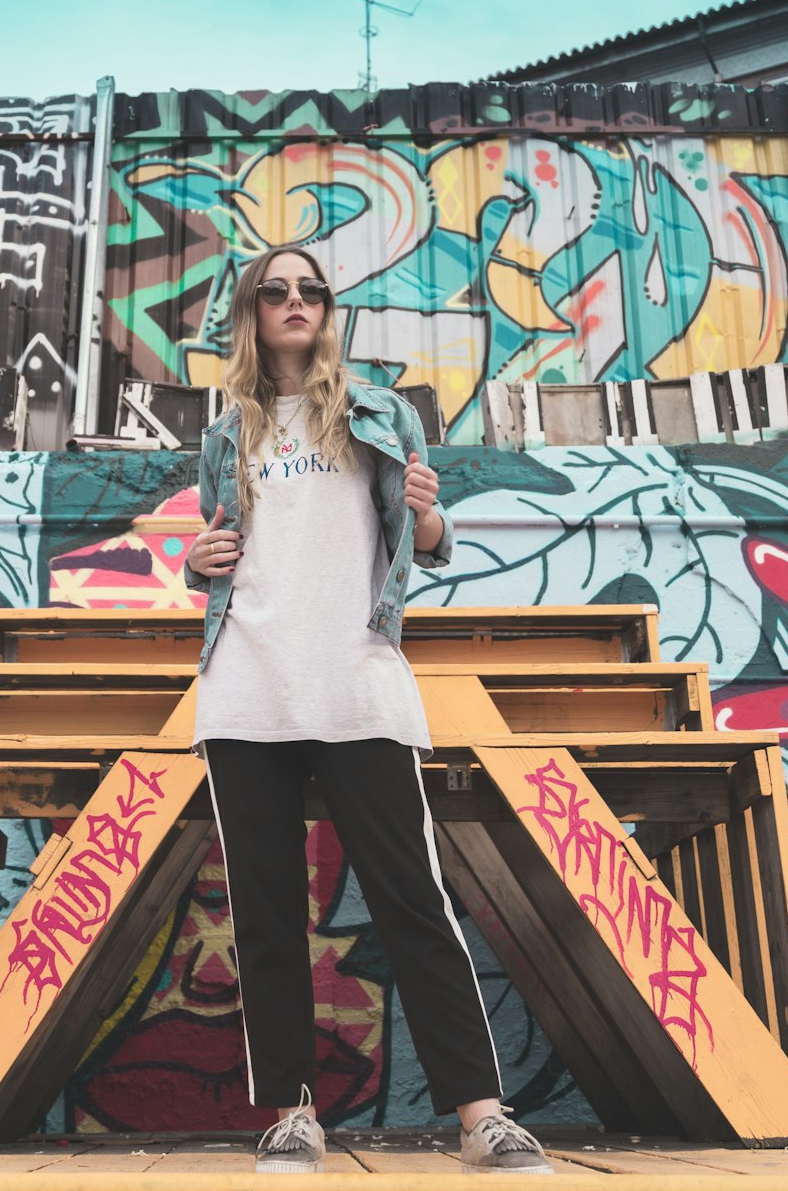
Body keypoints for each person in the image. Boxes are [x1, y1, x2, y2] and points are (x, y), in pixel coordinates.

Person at [183, 246, 552, 1176]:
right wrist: (195, 565)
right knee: (266, 912)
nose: (296, 302)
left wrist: (429, 516)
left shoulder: (380, 414)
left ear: (328, 309)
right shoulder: (229, 434)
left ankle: (481, 1116)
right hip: (247, 686)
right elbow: (215, 552)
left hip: (357, 678)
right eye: (277, 292)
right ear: (252, 314)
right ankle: (295, 1115)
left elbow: (425, 541)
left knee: (413, 901)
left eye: (312, 290)